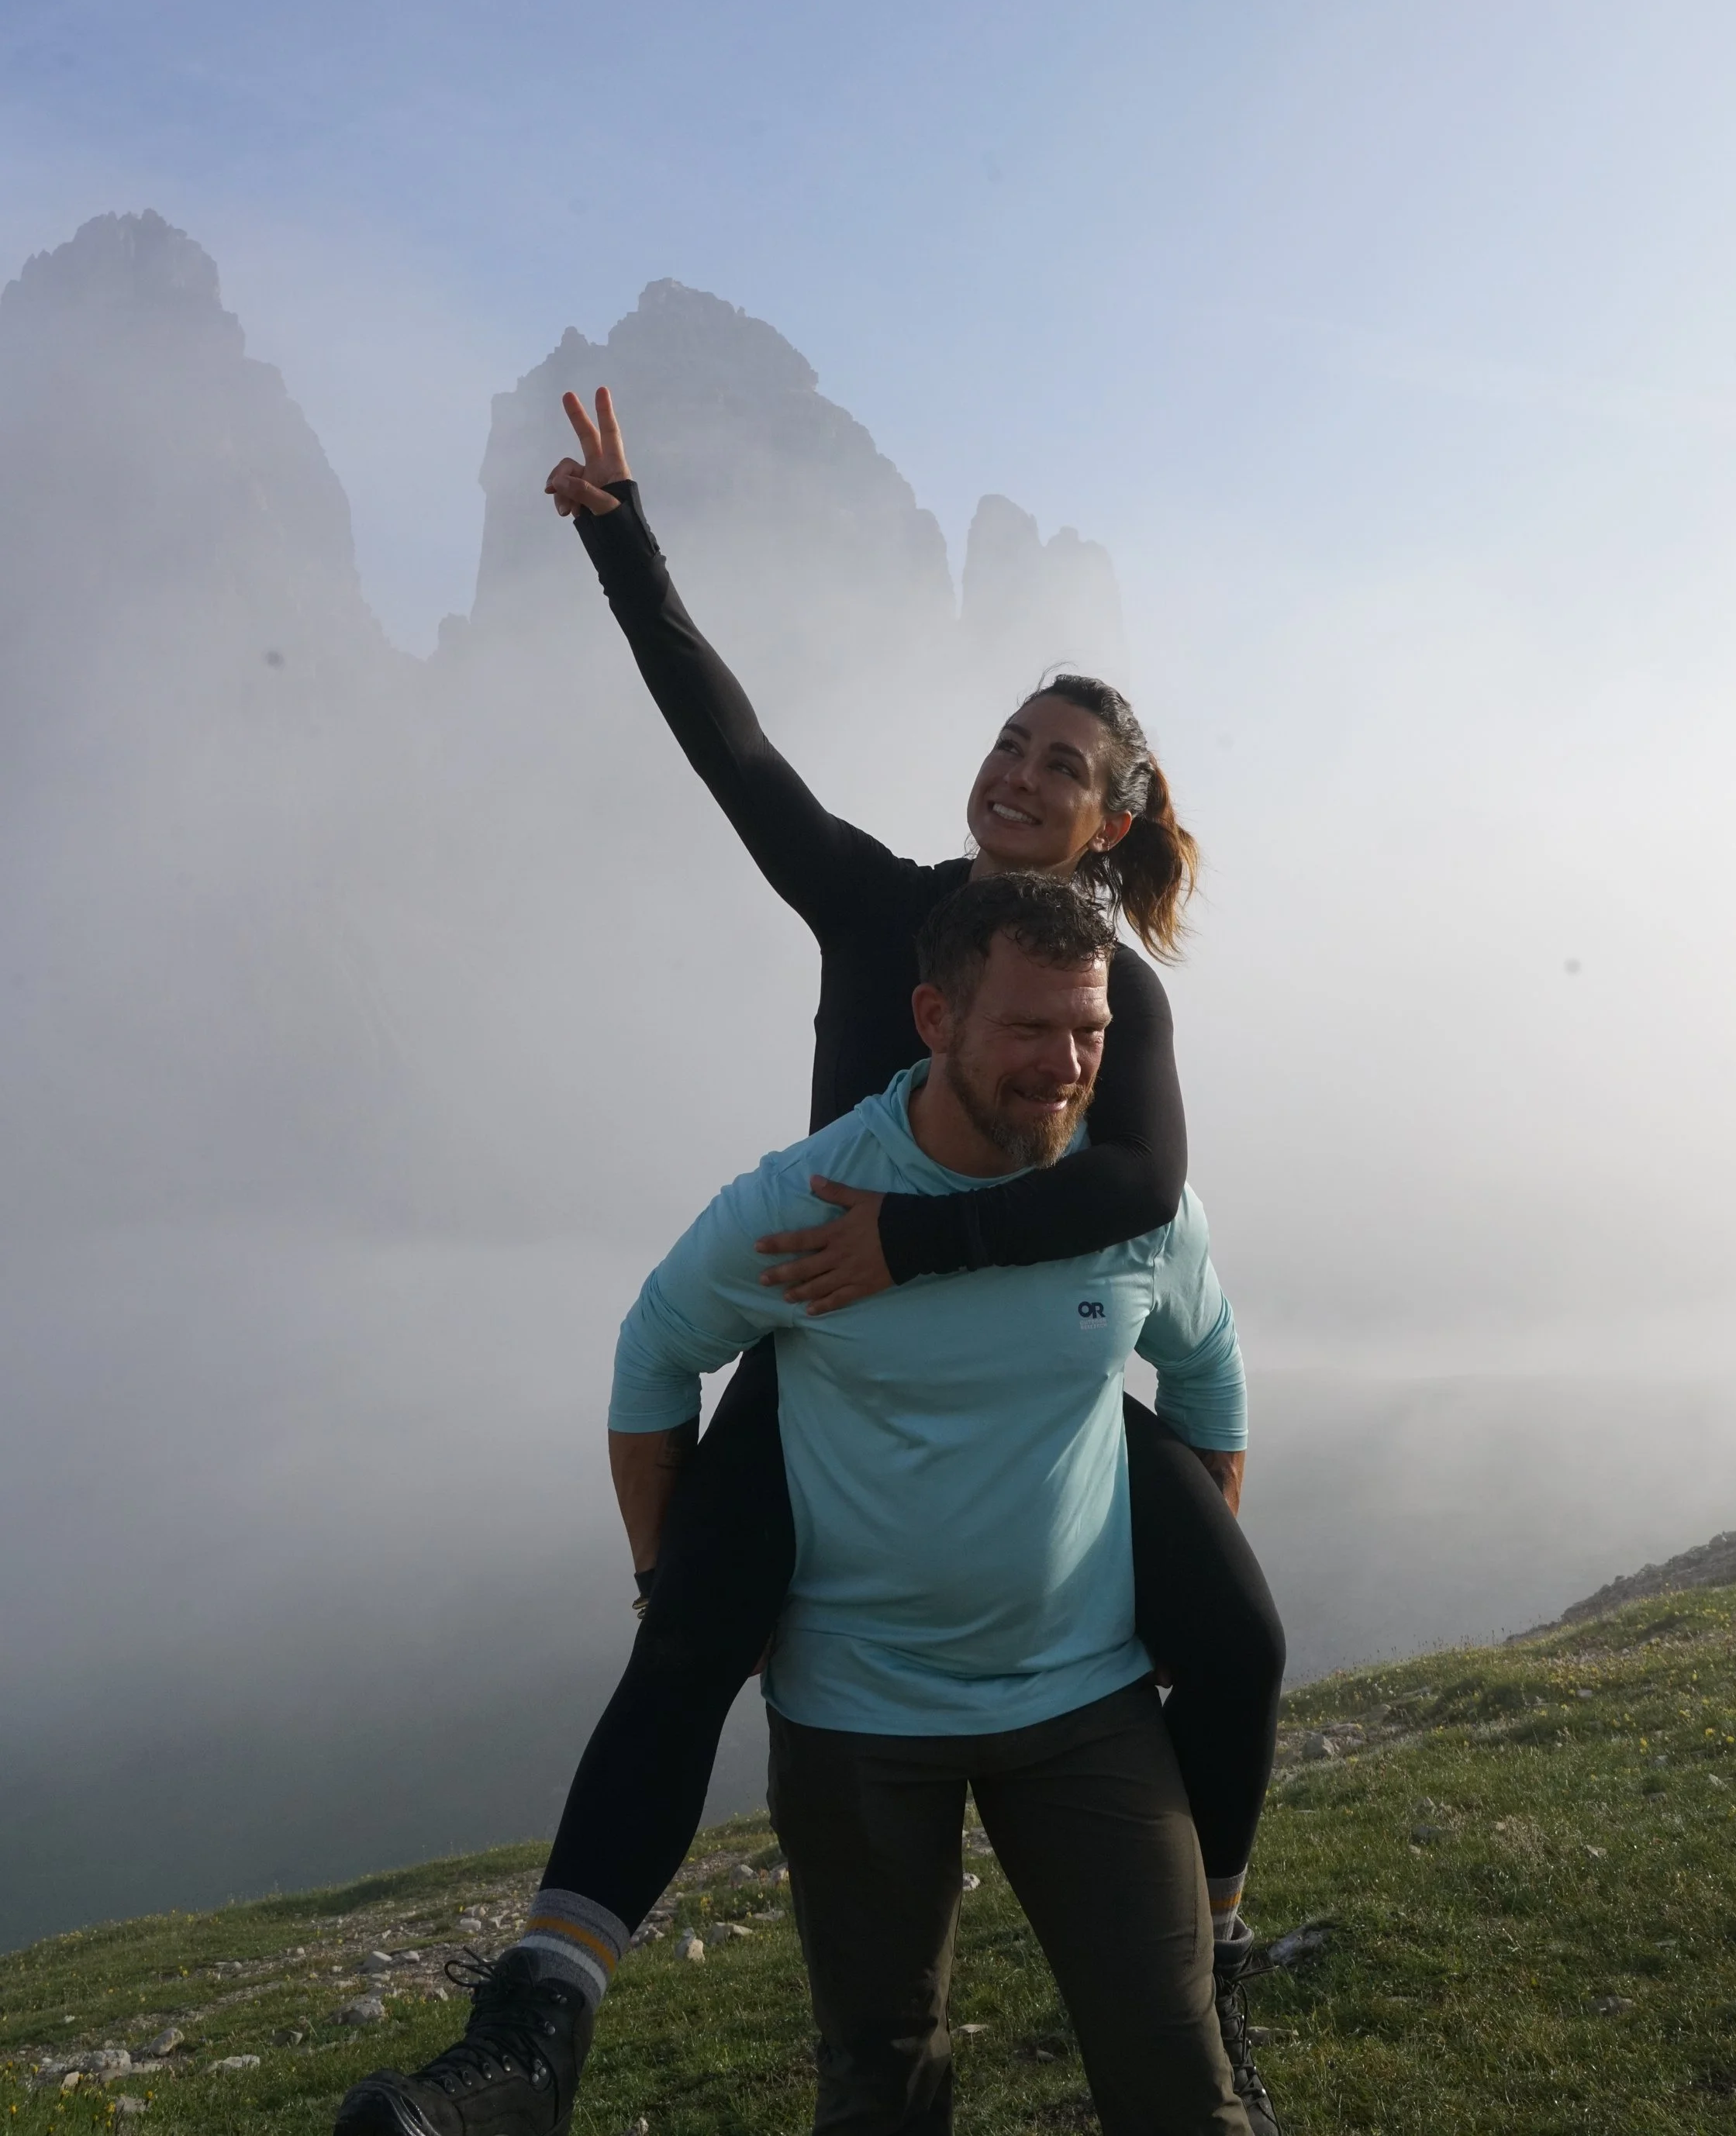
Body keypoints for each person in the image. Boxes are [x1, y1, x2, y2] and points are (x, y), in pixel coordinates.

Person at [333, 394, 1284, 2136]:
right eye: (1008, 733)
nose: (1015, 766)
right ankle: (533, 2029)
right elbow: (733, 747)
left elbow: (1140, 1181)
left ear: (1108, 821)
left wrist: (909, 1240)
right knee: (686, 1624)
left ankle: (1207, 1955)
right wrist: (622, 537)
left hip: (1025, 1353)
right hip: (828, 1355)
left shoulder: (1110, 996)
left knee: (1235, 1630)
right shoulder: (879, 904)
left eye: (1060, 760)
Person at [349, 878, 1258, 2136]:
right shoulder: (811, 1205)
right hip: (858, 1719)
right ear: (935, 1017)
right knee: (882, 2080)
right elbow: (655, 1352)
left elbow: (1207, 1367)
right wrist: (671, 1574)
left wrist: (1190, 1562)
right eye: (1031, 1031)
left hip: (1083, 1705)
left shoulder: (1128, 1210)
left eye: (1091, 1032)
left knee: (1177, 2077)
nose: (1066, 1069)